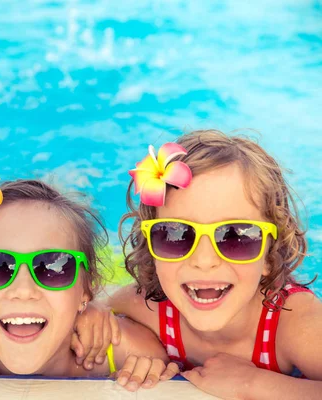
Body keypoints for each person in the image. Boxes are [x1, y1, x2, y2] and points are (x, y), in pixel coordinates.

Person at [78, 130, 322, 399]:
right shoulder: (148, 306)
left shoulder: (293, 321)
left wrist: (253, 384)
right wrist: (94, 312)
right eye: (175, 235)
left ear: (269, 254)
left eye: (236, 237)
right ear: (151, 249)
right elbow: (99, 308)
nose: (204, 261)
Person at [0, 173, 178, 391]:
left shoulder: (132, 351)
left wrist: (148, 370)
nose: (23, 290)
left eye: (53, 267)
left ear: (85, 291)